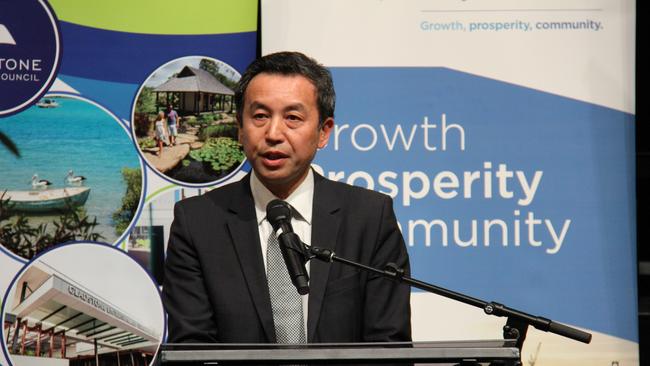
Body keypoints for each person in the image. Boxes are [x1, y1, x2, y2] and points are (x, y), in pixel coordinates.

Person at [162, 51, 411, 344]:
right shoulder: (197, 222)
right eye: (260, 116)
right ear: (240, 129)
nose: (273, 133)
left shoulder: (370, 217)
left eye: (292, 117)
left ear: (323, 131)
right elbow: (193, 347)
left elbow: (389, 345)